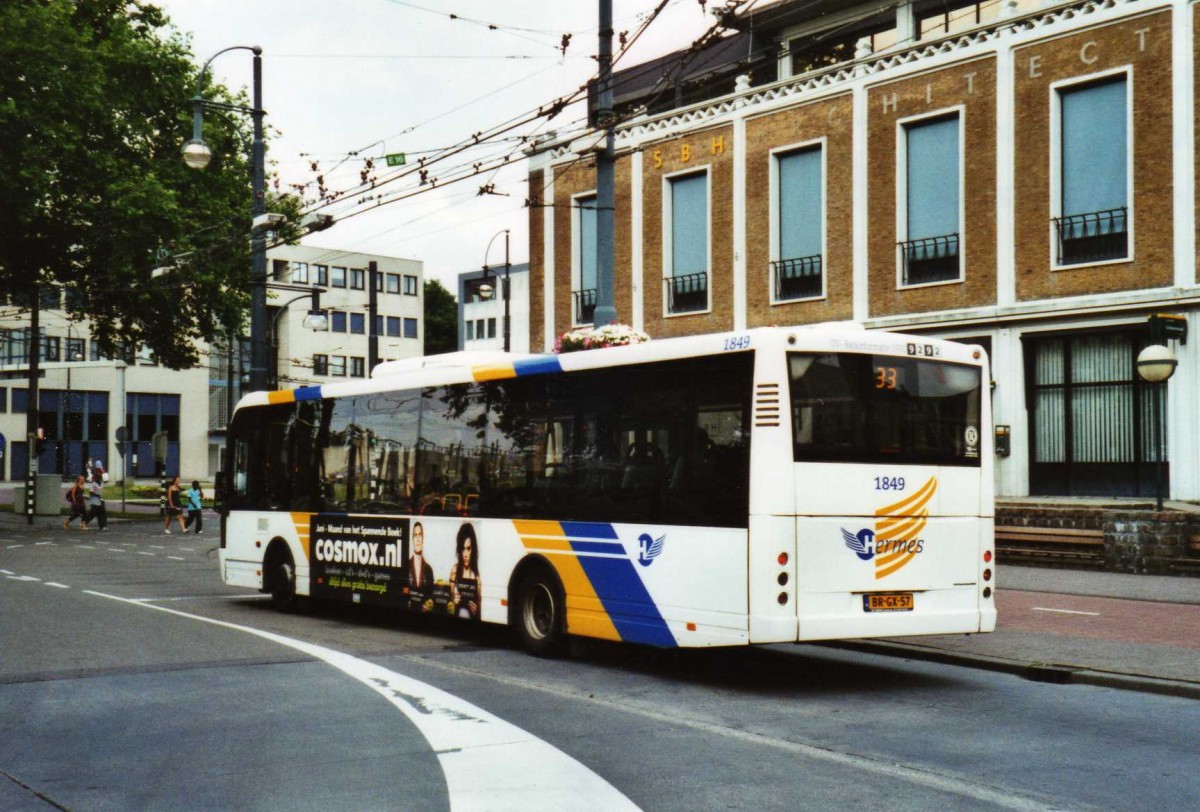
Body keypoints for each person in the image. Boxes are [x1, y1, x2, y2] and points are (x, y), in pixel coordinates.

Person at [449, 522, 480, 619]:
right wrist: (454, 601)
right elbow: (448, 605)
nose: (465, 554)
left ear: (473, 549)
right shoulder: (454, 571)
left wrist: (476, 611)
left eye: (468, 548)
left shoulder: (477, 578)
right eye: (463, 549)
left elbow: (480, 613)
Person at [405, 521, 434, 591]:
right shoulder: (406, 566)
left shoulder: (429, 569)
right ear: (412, 540)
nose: (418, 539)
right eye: (415, 535)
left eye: (420, 535)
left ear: (423, 539)